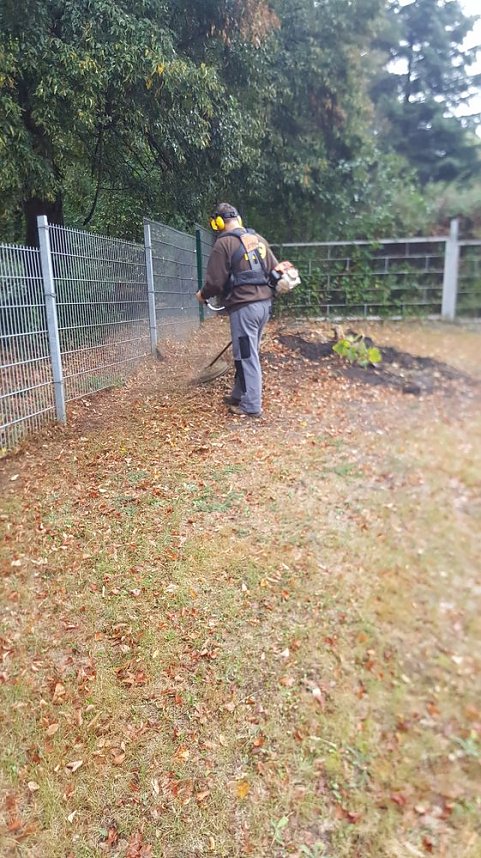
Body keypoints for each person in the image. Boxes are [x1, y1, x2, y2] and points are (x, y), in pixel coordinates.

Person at [196, 203, 278, 417]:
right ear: (239, 219)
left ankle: (251, 405)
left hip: (245, 308)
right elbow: (275, 269)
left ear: (219, 222)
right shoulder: (257, 240)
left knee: (247, 354)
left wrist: (202, 295)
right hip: (264, 306)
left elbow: (214, 282)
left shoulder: (223, 245)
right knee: (246, 351)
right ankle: (238, 393)